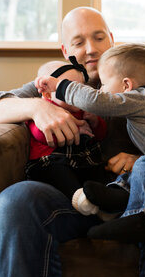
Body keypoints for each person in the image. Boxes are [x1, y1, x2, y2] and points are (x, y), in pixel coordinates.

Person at [0, 7, 145, 277]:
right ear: (65, 50)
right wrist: (37, 108)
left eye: (99, 38)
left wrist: (144, 161)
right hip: (72, 199)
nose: (91, 49)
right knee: (14, 200)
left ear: (112, 40)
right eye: (79, 42)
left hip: (142, 204)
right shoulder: (58, 79)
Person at [35, 43, 145, 242]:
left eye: (104, 84)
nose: (101, 89)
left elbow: (97, 101)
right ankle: (116, 194)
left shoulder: (139, 100)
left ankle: (137, 217)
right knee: (144, 166)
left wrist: (60, 86)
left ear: (126, 86)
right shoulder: (141, 108)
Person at [26, 59, 110, 217]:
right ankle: (80, 199)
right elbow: (40, 134)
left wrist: (95, 122)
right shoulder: (45, 111)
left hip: (82, 160)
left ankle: (104, 202)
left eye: (78, 90)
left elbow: (100, 135)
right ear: (46, 94)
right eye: (66, 90)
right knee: (57, 173)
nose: (74, 96)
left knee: (97, 168)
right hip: (52, 160)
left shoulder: (83, 111)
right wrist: (76, 130)